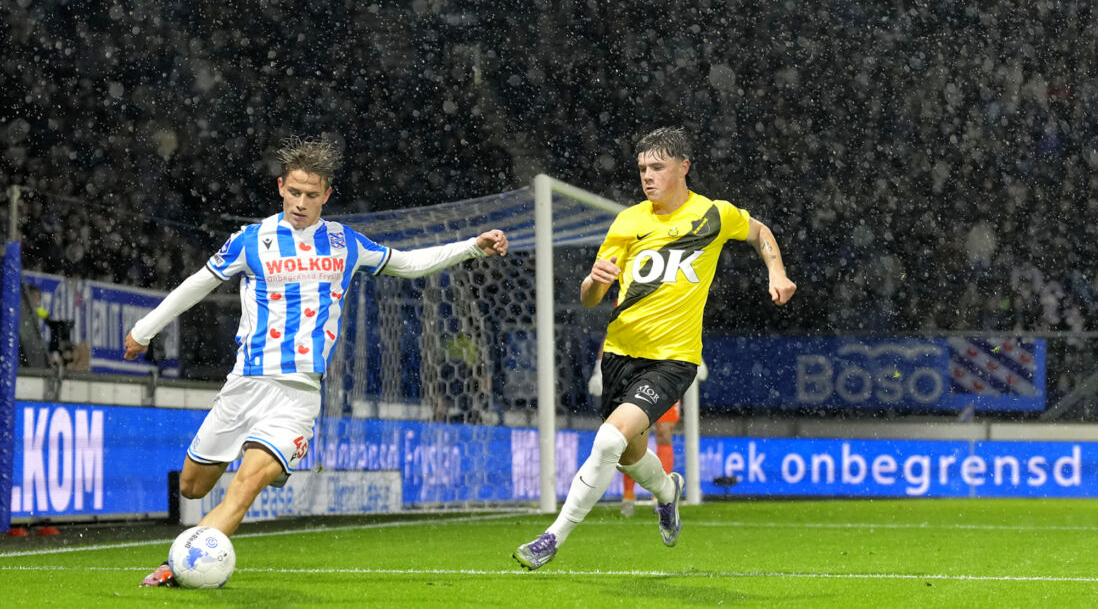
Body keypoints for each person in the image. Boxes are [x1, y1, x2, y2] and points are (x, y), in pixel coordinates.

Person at [131, 136, 509, 587]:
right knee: (193, 486)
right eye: (294, 192)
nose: (301, 203)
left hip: (298, 394)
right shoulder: (252, 240)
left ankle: (181, 567)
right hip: (246, 383)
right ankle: (267, 460)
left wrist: (471, 247)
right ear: (281, 188)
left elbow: (406, 263)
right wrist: (143, 330)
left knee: (245, 486)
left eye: (312, 195)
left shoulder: (343, 243)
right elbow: (197, 284)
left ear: (327, 195)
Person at [514, 126, 795, 570]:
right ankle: (667, 492)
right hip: (619, 355)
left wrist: (775, 273)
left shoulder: (713, 216)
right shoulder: (628, 221)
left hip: (672, 360)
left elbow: (760, 232)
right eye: (642, 168)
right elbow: (592, 295)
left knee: (608, 440)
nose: (647, 176)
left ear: (684, 167)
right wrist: (593, 283)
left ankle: (552, 537)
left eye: (657, 167)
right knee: (628, 455)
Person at [588, 342, 708, 516]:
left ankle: (661, 497)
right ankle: (628, 496)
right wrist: (598, 369)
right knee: (631, 437)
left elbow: (686, 326)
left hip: (668, 374)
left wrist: (697, 356)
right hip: (637, 373)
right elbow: (613, 332)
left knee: (665, 433)